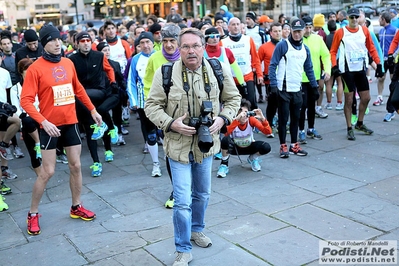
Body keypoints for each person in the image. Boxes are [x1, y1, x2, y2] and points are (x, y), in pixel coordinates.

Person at [144, 27, 241, 266]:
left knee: (203, 194)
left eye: (195, 46)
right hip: (177, 147)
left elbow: (234, 99)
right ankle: (183, 248)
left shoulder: (217, 68)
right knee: (182, 200)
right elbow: (151, 106)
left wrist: (223, 119)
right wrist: (170, 123)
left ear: (203, 46)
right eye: (185, 46)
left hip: (206, 146)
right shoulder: (165, 72)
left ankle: (196, 230)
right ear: (179, 48)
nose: (191, 51)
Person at [21, 24, 102, 235]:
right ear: (43, 43)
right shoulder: (36, 68)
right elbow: (26, 101)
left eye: (59, 39)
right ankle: (33, 214)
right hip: (49, 126)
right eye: (51, 40)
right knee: (47, 172)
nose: (57, 43)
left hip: (70, 122)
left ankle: (76, 206)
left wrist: (92, 110)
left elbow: (78, 88)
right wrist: (43, 122)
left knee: (76, 166)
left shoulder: (67, 63)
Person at [69, 31, 119, 177]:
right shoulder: (72, 59)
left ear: (91, 42)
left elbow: (109, 69)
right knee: (91, 129)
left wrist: (113, 81)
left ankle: (108, 149)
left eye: (88, 40)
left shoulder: (99, 55)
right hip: (82, 99)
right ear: (77, 43)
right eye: (82, 41)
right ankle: (96, 162)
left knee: (102, 118)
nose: (85, 43)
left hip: (98, 93)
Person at [330, 8, 384, 141]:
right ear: (347, 18)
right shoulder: (340, 32)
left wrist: (379, 64)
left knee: (366, 98)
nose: (354, 20)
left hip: (360, 69)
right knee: (349, 100)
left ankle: (359, 123)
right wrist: (334, 66)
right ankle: (349, 127)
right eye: (352, 17)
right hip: (347, 71)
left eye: (356, 17)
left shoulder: (364, 30)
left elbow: (371, 48)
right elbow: (333, 51)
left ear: (359, 18)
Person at [269, 18, 319, 158]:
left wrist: (314, 86)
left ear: (303, 31)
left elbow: (309, 68)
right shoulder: (283, 45)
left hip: (297, 88)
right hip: (283, 88)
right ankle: (283, 145)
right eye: (294, 31)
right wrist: (273, 85)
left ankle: (294, 145)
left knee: (296, 118)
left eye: (299, 31)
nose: (297, 34)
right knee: (284, 118)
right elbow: (272, 65)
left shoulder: (305, 49)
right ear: (290, 30)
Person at [127, 31, 161, 177]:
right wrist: (133, 101)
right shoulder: (135, 59)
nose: (146, 46)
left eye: (148, 42)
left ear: (153, 43)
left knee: (167, 133)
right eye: (142, 43)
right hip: (144, 101)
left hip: (162, 100)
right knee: (151, 135)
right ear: (138, 46)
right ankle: (156, 164)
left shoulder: (161, 55)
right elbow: (130, 81)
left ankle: (172, 162)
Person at [216, 99, 271, 178]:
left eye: (246, 112)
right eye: (242, 113)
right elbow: (225, 133)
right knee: (225, 140)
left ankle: (253, 158)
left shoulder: (251, 120)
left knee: (266, 147)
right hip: (235, 148)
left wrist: (263, 119)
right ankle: (224, 164)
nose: (245, 115)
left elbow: (268, 132)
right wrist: (237, 120)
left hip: (249, 146)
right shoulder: (233, 120)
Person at [298, 16, 331, 144]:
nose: (308, 29)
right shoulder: (297, 40)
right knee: (302, 105)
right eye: (305, 27)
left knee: (312, 105)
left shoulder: (318, 39)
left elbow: (326, 55)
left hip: (314, 78)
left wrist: (327, 70)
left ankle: (311, 128)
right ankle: (301, 130)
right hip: (300, 78)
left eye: (309, 27)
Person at [222, 17, 263, 110]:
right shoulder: (223, 42)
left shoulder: (248, 40)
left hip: (247, 77)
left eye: (237, 24)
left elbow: (255, 58)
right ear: (228, 27)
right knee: (236, 105)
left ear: (241, 26)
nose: (236, 27)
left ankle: (253, 123)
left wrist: (260, 75)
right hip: (231, 79)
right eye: (233, 25)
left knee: (251, 103)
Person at [258, 22, 283, 136]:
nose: (278, 33)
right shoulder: (264, 47)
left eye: (279, 31)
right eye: (275, 31)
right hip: (270, 81)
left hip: (284, 80)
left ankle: (282, 122)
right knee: (272, 104)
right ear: (271, 33)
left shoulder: (286, 45)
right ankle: (269, 123)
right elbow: (257, 61)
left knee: (283, 103)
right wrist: (260, 75)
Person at [374, 11, 398, 106]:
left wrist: (393, 56)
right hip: (382, 59)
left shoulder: (395, 30)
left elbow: (397, 44)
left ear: (384, 19)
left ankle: (393, 99)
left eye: (380, 18)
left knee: (393, 80)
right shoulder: (381, 31)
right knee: (381, 78)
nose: (379, 20)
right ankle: (380, 97)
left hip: (391, 59)